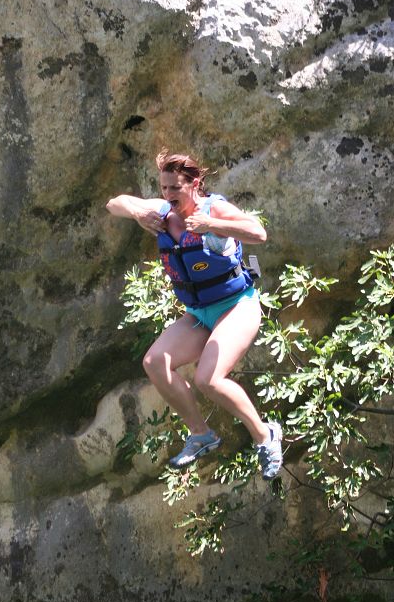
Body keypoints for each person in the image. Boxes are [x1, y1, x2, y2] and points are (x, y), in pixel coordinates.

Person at [106, 150, 282, 479]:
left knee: (208, 379)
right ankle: (201, 435)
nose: (168, 195)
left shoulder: (214, 208)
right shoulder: (161, 213)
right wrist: (137, 212)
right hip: (200, 314)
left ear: (195, 184)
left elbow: (258, 233)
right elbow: (114, 203)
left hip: (237, 306)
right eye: (164, 188)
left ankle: (265, 435)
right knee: (154, 362)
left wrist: (211, 225)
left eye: (175, 188)